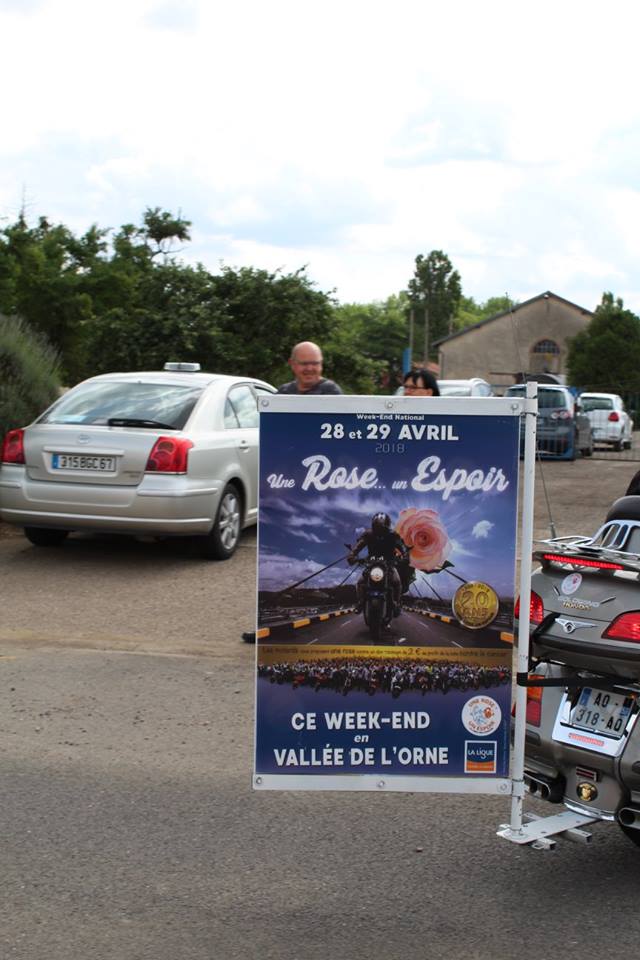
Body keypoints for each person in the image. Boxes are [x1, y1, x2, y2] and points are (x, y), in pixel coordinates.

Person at [347, 513, 409, 616]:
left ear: (387, 527)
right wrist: (352, 556)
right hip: (372, 564)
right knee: (360, 582)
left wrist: (405, 556)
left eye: (382, 528)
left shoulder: (393, 535)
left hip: (389, 564)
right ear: (373, 526)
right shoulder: (368, 535)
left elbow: (402, 547)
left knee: (397, 582)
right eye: (377, 528)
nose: (379, 531)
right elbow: (358, 547)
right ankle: (361, 602)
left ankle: (396, 604)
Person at [278, 341, 343, 395]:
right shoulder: (284, 392)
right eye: (304, 364)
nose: (309, 368)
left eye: (315, 363)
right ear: (292, 364)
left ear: (321, 364)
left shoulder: (330, 392)